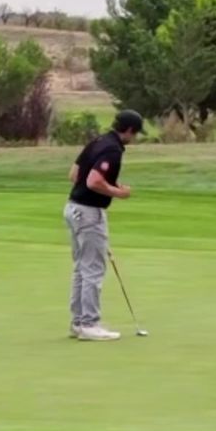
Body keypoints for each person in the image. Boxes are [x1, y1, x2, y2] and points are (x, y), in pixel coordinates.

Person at [64, 109, 142, 342]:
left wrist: (109, 185)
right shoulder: (113, 149)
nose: (135, 138)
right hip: (89, 213)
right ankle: (89, 324)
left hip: (73, 208)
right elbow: (93, 180)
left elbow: (74, 175)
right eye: (135, 133)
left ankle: (79, 322)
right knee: (93, 269)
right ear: (128, 130)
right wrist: (119, 192)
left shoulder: (97, 141)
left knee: (81, 268)